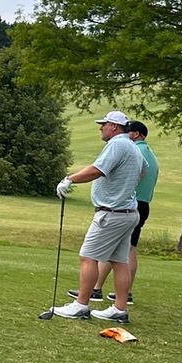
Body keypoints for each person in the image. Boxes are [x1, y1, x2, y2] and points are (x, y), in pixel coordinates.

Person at [52, 110, 144, 322]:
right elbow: (142, 172)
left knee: (88, 257)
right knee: (119, 261)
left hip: (111, 213)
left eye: (104, 124)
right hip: (128, 212)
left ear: (114, 126)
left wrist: (69, 179)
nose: (100, 127)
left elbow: (97, 170)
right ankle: (119, 309)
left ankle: (81, 305)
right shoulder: (133, 146)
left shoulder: (117, 144)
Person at [92, 119, 158, 306]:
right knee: (124, 249)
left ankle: (96, 290)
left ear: (136, 134)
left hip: (129, 204)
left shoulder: (133, 150)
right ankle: (104, 289)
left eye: (127, 132)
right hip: (139, 204)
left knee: (121, 250)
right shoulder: (146, 152)